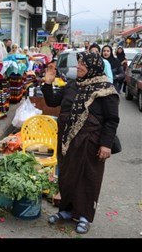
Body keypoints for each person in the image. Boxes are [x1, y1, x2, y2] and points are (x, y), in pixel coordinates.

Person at [42, 51, 119, 234]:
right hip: (68, 139)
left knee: (87, 177)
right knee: (68, 175)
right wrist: (48, 82)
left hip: (90, 141)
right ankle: (67, 211)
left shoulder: (105, 90)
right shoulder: (72, 85)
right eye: (78, 63)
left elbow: (112, 120)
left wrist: (106, 144)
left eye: (82, 64)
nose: (78, 67)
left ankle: (84, 216)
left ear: (93, 67)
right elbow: (52, 102)